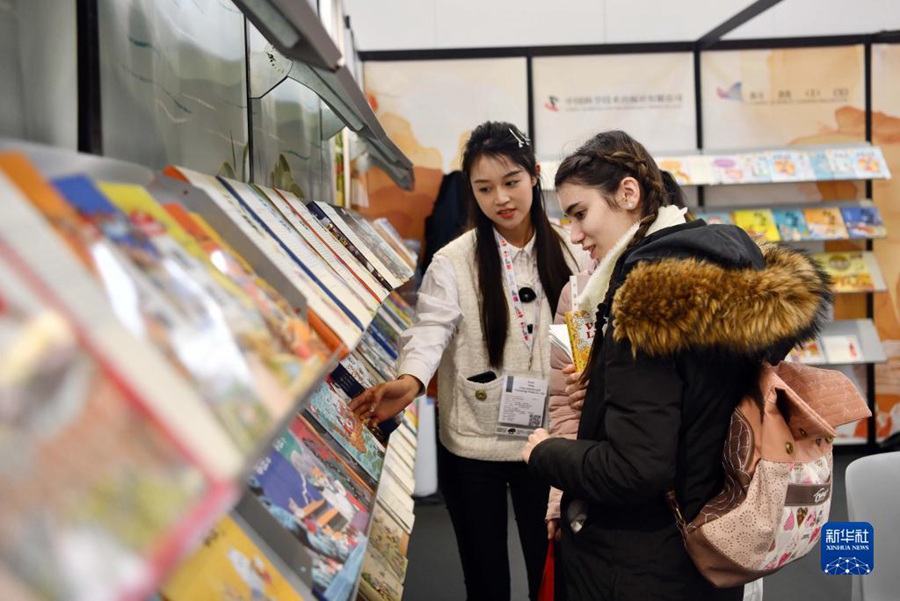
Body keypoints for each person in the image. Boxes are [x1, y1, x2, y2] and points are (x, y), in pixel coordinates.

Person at [523, 130, 831, 600]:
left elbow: (636, 468)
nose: (575, 234)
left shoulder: (645, 304)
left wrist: (543, 452)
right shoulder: (723, 279)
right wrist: (606, 397)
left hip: (641, 560)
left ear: (628, 193)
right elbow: (692, 406)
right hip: (711, 539)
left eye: (580, 213)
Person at [350, 121, 587, 601]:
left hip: (548, 443)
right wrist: (412, 380)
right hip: (472, 444)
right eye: (484, 188)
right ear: (471, 192)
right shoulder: (453, 261)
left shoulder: (571, 251)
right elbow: (430, 328)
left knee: (555, 573)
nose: (501, 198)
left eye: (511, 182)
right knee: (485, 580)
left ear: (534, 176)